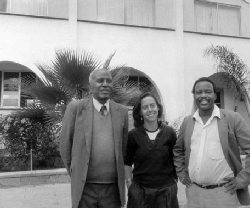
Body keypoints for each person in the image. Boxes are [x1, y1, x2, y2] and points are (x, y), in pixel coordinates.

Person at [173, 77, 250, 208]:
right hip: (194, 193)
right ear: (194, 95)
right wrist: (180, 172)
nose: (203, 95)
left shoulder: (232, 119)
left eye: (208, 91)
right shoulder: (188, 122)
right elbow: (178, 150)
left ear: (215, 95)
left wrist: (243, 179)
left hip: (224, 193)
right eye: (199, 92)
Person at [59, 68, 129, 208]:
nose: (105, 84)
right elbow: (65, 146)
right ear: (91, 86)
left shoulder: (122, 111)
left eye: (108, 81)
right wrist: (76, 172)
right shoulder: (76, 108)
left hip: (113, 189)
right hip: (85, 188)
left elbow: (124, 148)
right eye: (100, 81)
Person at [124, 92, 179, 208]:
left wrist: (174, 182)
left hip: (166, 192)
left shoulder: (169, 133)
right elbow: (127, 163)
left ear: (158, 108)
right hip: (140, 193)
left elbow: (176, 158)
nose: (150, 110)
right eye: (145, 107)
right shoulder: (133, 135)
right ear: (140, 112)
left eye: (152, 105)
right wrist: (129, 184)